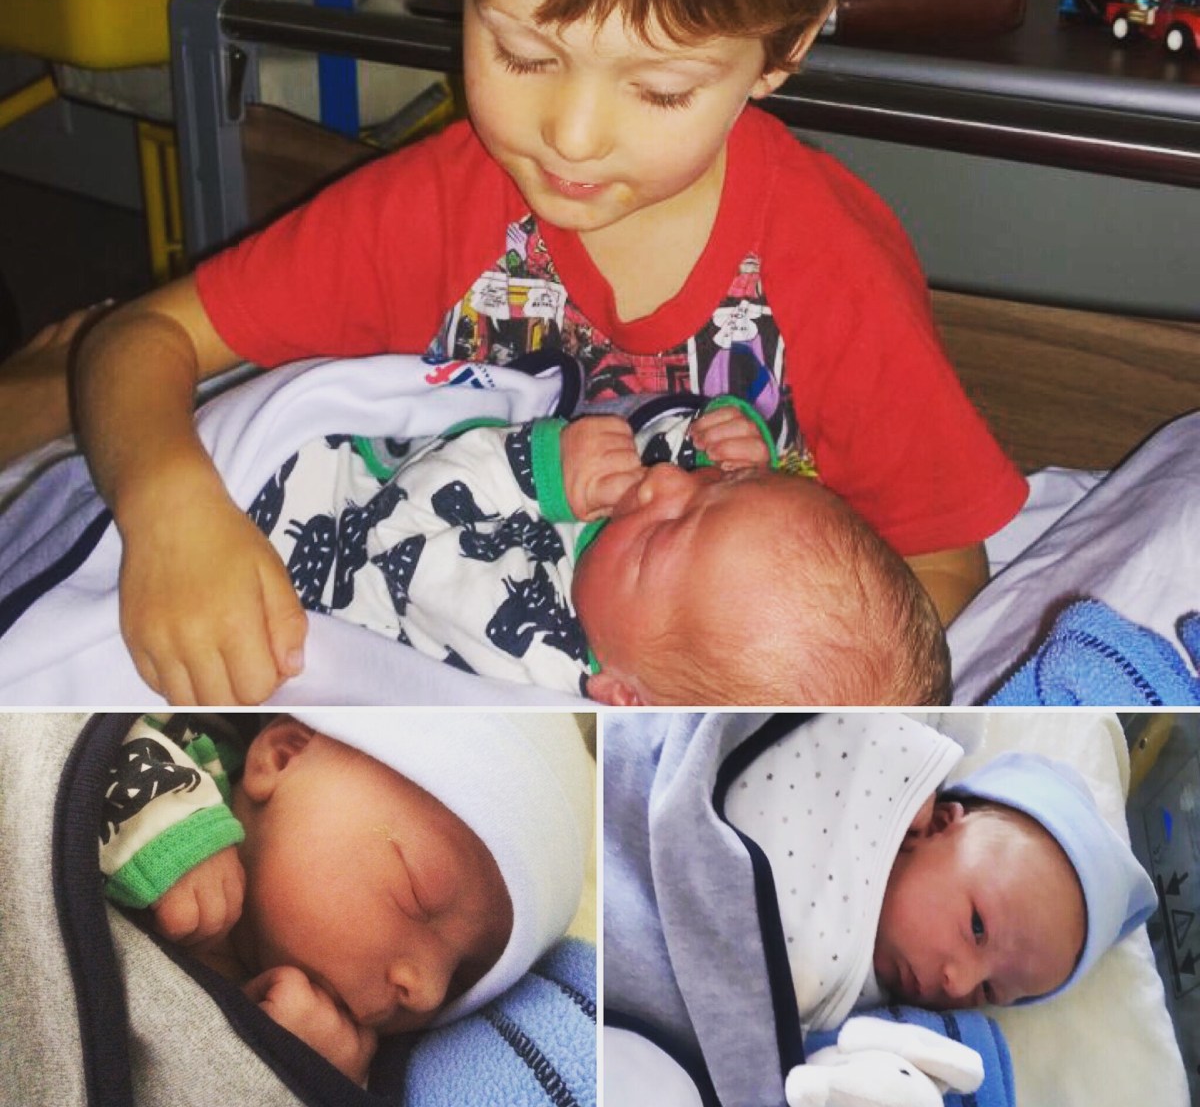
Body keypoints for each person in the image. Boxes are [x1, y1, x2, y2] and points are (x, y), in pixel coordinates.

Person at [4, 0, 1028, 704]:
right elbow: (142, 340)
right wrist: (172, 513)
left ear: (786, 47)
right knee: (57, 413)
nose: (571, 136)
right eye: (525, 55)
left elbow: (940, 569)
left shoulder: (827, 263)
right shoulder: (435, 210)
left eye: (661, 89)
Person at [603, 713, 1158, 1106]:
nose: (958, 982)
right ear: (941, 821)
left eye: (990, 991)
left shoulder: (880, 1024)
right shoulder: (879, 761)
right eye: (977, 927)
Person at [251, 395, 950, 704]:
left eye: (666, 533)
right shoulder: (640, 599)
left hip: (301, 515)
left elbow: (396, 535)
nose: (665, 484)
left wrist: (535, 470)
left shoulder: (522, 652)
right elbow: (661, 449)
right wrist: (730, 444)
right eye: (718, 487)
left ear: (623, 695)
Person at [100, 710, 594, 1086]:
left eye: (463, 978)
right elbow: (69, 737)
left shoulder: (362, 1065)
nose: (427, 991)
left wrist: (307, 1076)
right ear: (284, 756)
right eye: (419, 896)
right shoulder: (177, 747)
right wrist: (166, 821)